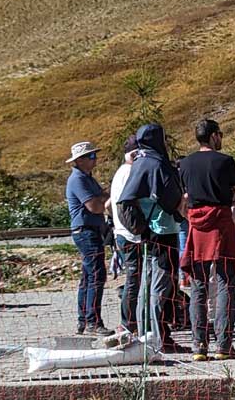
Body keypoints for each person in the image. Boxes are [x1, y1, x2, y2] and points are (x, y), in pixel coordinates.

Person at [117, 124, 189, 353]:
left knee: (146, 285)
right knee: (161, 285)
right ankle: (158, 339)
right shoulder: (157, 163)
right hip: (163, 230)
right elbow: (170, 198)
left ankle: (145, 335)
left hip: (146, 231)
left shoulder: (139, 162)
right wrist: (182, 204)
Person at [179, 119, 235, 361]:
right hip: (221, 223)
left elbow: (182, 202)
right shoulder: (225, 161)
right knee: (225, 282)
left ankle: (199, 346)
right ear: (214, 136)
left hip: (197, 225)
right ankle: (224, 345)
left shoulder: (184, 163)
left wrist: (190, 219)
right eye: (220, 134)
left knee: (198, 284)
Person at [65, 140, 112, 336]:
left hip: (89, 230)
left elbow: (99, 197)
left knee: (88, 276)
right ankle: (93, 321)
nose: (95, 160)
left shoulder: (87, 178)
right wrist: (108, 202)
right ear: (81, 160)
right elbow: (95, 206)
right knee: (96, 276)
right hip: (86, 231)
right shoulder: (78, 180)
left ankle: (84, 319)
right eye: (91, 156)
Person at [109, 136, 144, 337]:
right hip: (130, 235)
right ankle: (128, 322)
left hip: (125, 233)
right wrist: (137, 228)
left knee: (135, 279)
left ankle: (131, 321)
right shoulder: (129, 172)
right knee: (134, 280)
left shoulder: (122, 172)